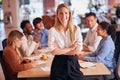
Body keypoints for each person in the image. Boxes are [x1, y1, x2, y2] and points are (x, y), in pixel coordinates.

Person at [48, 3, 84, 80]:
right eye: (61, 13)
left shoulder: (76, 29)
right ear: (57, 15)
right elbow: (53, 51)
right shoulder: (52, 30)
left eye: (66, 13)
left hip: (73, 64)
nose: (63, 16)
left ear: (70, 14)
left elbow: (78, 51)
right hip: (58, 65)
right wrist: (71, 48)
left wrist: (59, 50)